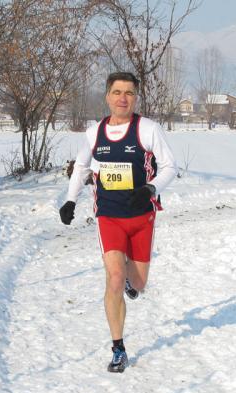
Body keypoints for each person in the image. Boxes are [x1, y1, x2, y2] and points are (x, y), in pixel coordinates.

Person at [59, 72, 177, 373]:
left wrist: (150, 189)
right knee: (113, 278)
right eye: (117, 92)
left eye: (129, 93)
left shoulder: (147, 129)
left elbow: (169, 167)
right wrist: (71, 200)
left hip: (141, 217)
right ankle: (118, 348)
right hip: (109, 216)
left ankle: (130, 277)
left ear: (135, 98)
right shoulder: (94, 132)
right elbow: (81, 167)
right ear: (108, 96)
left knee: (137, 285)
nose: (123, 98)